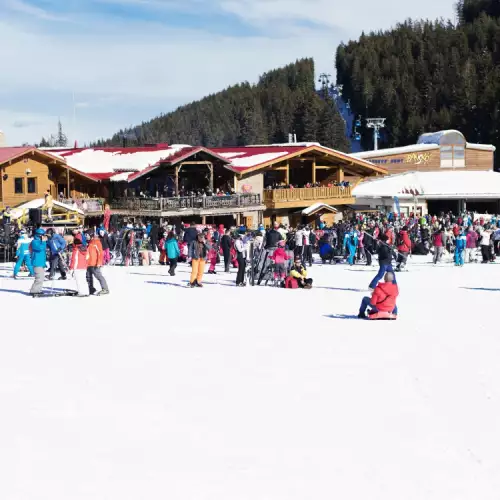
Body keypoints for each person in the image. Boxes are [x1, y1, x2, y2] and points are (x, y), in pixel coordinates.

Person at [30, 228, 48, 297]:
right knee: (39, 278)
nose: (43, 236)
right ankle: (34, 291)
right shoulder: (34, 241)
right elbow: (40, 248)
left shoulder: (40, 241)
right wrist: (43, 241)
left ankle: (38, 289)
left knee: (41, 277)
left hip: (41, 262)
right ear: (39, 235)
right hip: (37, 262)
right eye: (42, 235)